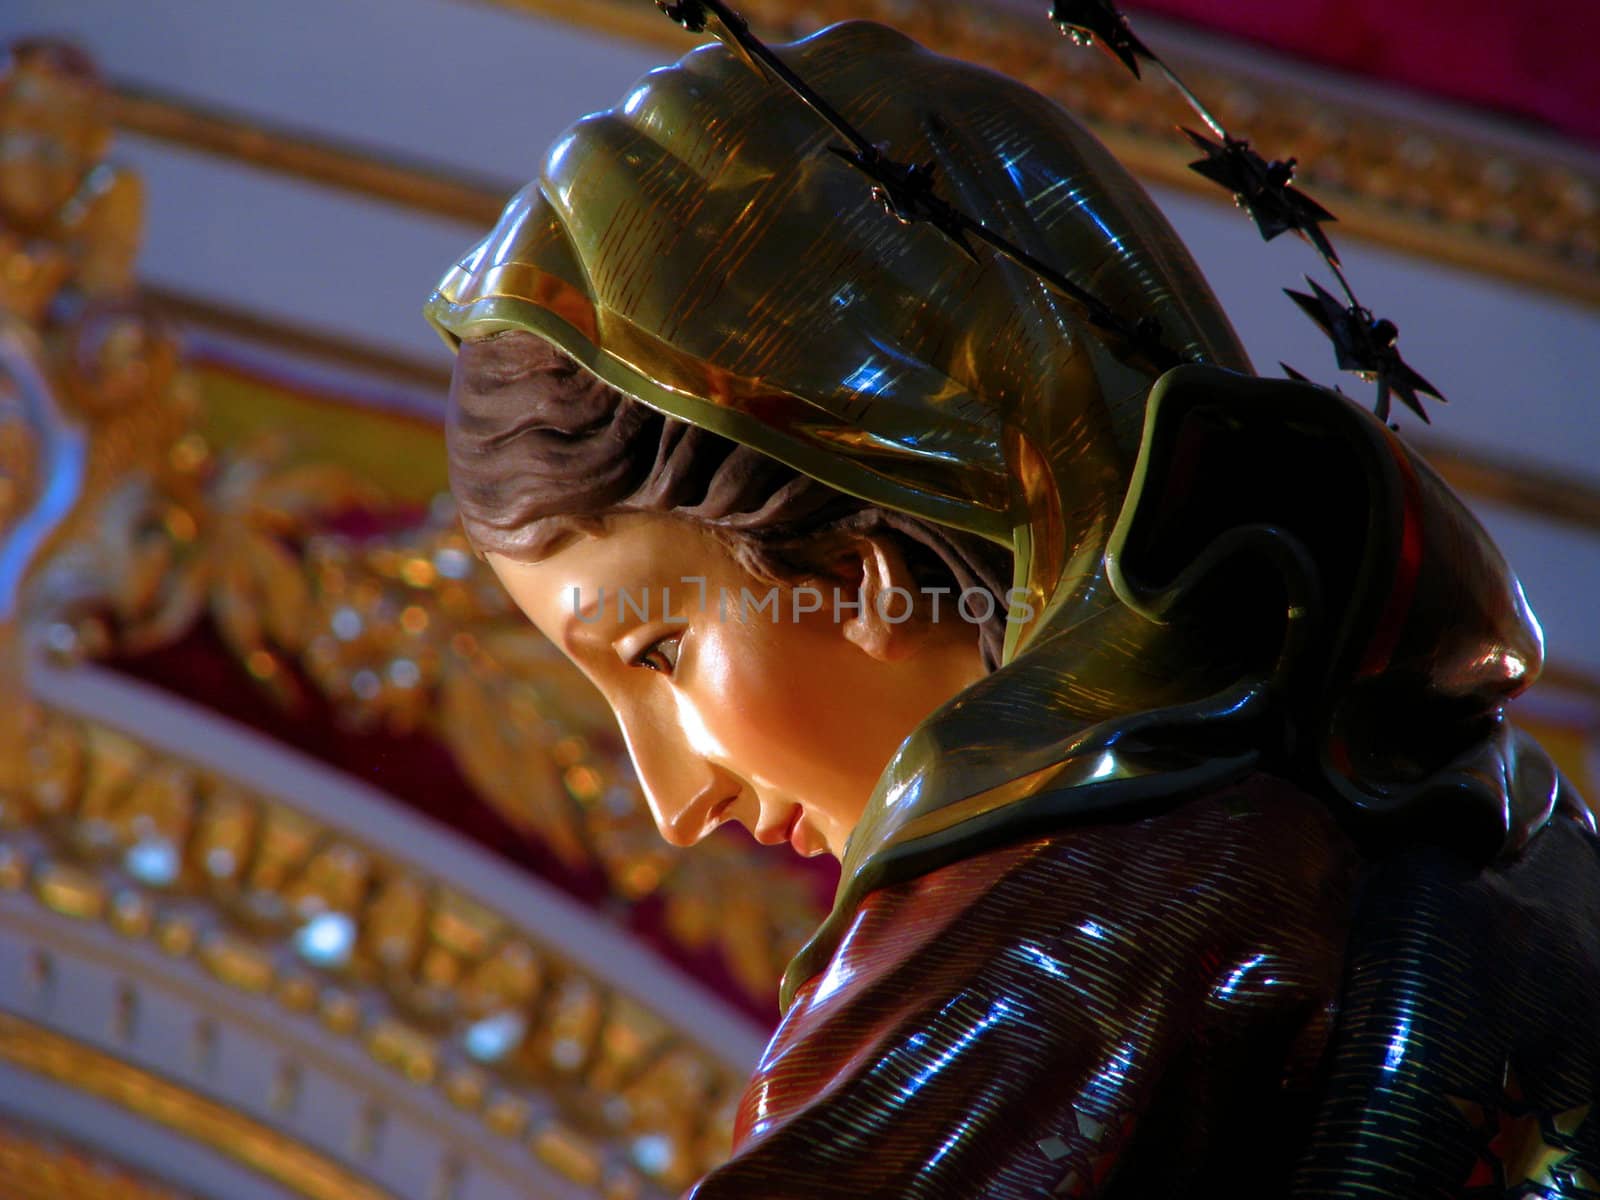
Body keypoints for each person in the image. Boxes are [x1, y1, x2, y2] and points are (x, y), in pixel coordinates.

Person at [427, 20, 1600, 1197]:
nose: (675, 804)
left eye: (661, 651)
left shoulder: (1066, 944)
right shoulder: (1480, 818)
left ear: (865, 562)